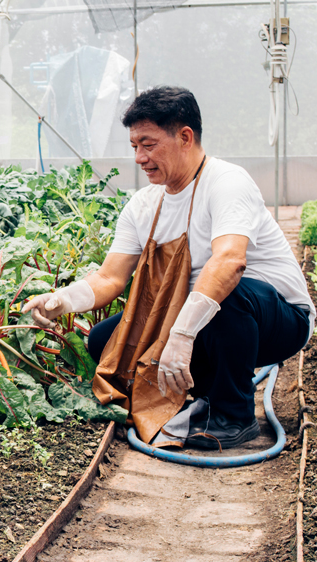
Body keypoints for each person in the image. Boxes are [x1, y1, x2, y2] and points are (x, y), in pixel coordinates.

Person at [23, 86, 314, 450]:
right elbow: (110, 277)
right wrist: (61, 300)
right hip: (201, 320)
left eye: (148, 144)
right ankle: (200, 394)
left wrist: (181, 335)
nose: (139, 157)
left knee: (225, 292)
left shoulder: (226, 182)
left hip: (276, 321)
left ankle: (233, 416)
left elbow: (230, 261)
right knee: (105, 341)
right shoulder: (145, 204)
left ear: (185, 137)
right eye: (134, 147)